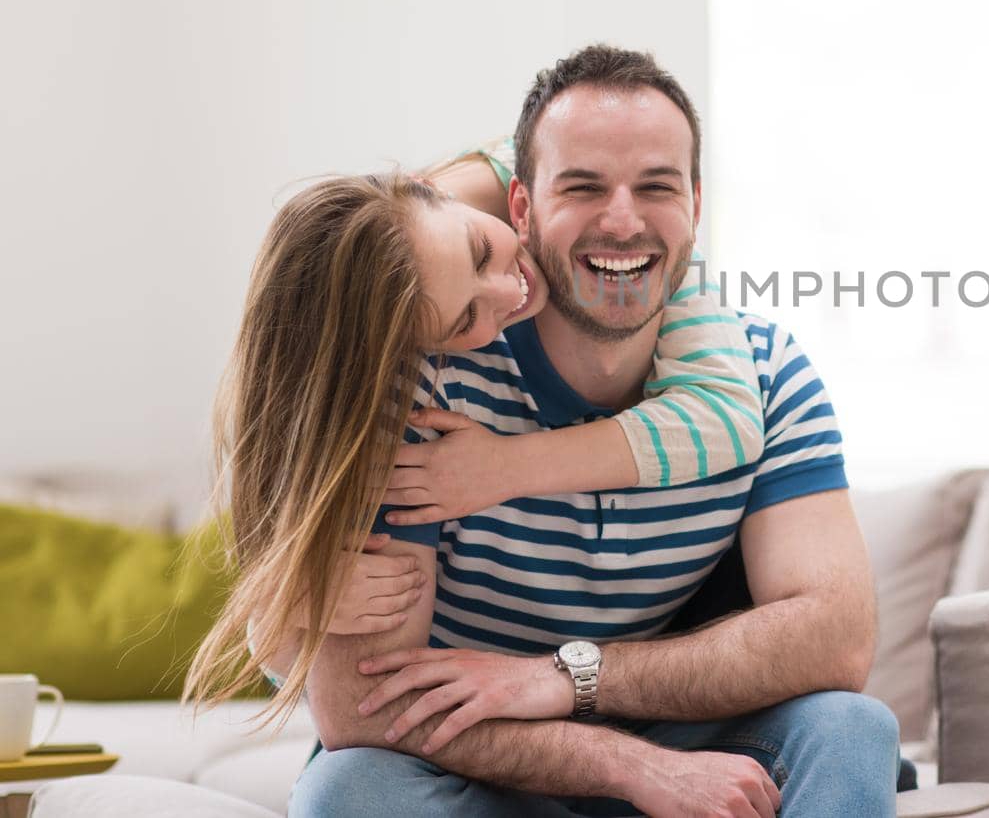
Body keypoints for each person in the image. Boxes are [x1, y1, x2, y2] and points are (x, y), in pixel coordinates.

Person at [282, 44, 896, 816]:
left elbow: (833, 638)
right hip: (477, 759)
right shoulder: (422, 377)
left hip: (674, 740)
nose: (623, 220)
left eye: (657, 187)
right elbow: (358, 702)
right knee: (350, 789)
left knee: (850, 728)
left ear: (696, 209)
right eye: (583, 187)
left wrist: (571, 676)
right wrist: (621, 765)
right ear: (520, 209)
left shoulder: (768, 377)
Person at [185, 166, 767, 698]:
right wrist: (284, 611)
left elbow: (730, 421)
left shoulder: (551, 175)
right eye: (466, 320)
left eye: (482, 250)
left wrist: (502, 468)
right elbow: (331, 690)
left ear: (443, 192)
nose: (509, 290)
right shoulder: (411, 397)